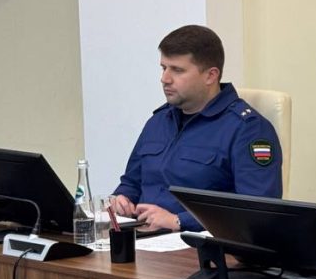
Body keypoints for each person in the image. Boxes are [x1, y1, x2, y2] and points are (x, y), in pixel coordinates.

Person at [112, 25, 283, 231]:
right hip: (142, 237)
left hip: (198, 244)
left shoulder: (248, 130)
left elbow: (257, 210)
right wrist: (122, 198)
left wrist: (179, 221)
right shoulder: (159, 121)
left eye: (177, 70)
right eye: (164, 68)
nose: (165, 79)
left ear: (210, 76)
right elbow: (132, 182)